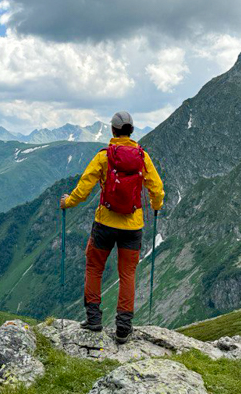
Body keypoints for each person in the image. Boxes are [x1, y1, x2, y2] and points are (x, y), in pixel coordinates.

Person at [60, 111, 164, 344]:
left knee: (94, 267)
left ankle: (94, 319)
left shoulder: (104, 157)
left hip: (104, 223)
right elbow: (156, 187)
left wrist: (67, 202)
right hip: (133, 225)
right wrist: (156, 205)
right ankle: (123, 328)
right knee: (127, 274)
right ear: (132, 131)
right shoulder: (142, 157)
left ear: (113, 130)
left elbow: (84, 188)